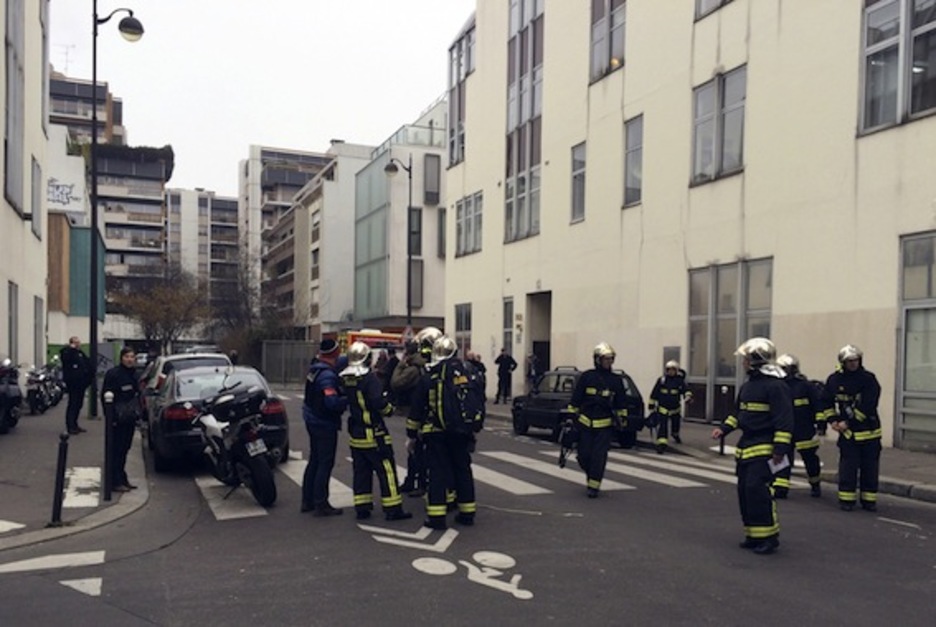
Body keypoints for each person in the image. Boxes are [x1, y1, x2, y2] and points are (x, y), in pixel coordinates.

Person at [711, 338, 793, 556]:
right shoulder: (748, 387)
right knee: (745, 492)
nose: (743, 363)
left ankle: (769, 537)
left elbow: (784, 420)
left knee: (758, 490)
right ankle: (754, 534)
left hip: (765, 447)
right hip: (746, 446)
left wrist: (780, 449)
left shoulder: (776, 387)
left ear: (757, 361)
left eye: (746, 359)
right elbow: (739, 414)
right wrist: (723, 429)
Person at [410, 335, 480, 530]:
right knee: (463, 470)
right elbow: (478, 399)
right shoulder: (468, 371)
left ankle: (437, 517)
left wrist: (411, 434)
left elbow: (417, 408)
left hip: (436, 432)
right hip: (462, 431)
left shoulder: (431, 375)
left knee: (438, 474)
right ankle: (467, 513)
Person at [340, 341, 412, 522]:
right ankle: (393, 508)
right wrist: (389, 410)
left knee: (361, 471)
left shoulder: (345, 378)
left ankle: (362, 507)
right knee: (386, 471)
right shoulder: (369, 378)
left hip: (356, 434)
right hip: (374, 433)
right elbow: (378, 402)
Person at [823, 344, 882, 512]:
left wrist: (848, 423)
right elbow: (825, 401)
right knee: (848, 468)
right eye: (849, 361)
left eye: (855, 360)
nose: (853, 364)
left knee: (870, 468)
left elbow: (869, 405)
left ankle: (869, 500)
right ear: (843, 362)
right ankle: (846, 500)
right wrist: (832, 420)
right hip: (848, 435)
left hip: (869, 432)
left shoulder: (868, 379)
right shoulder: (834, 380)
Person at [566, 342, 629, 498]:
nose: (609, 362)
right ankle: (592, 473)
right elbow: (576, 399)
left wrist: (623, 418)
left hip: (605, 425)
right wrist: (570, 417)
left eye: (611, 359)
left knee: (598, 456)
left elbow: (621, 402)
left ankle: (594, 485)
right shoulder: (587, 377)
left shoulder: (616, 380)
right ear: (597, 360)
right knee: (584, 455)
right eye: (605, 359)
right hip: (585, 423)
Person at [300, 339, 348, 516]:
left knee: (314, 460)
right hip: (324, 423)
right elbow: (331, 402)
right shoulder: (327, 376)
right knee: (325, 463)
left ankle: (307, 500)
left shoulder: (315, 369)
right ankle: (321, 503)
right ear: (334, 353)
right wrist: (347, 399)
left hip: (312, 419)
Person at [395, 328, 440, 496]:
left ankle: (420, 483)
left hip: (422, 415)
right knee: (420, 452)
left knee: (417, 451)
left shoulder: (415, 369)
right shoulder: (437, 368)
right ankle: (416, 481)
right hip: (433, 417)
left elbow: (396, 383)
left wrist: (402, 363)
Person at [775, 354, 824, 498]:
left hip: (804, 430)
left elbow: (818, 406)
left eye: (785, 369)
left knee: (810, 459)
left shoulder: (805, 386)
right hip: (785, 429)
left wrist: (821, 426)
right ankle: (781, 488)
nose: (783, 372)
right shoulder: (777, 387)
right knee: (783, 459)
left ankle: (815, 484)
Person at [101, 347, 142, 492]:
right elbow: (106, 396)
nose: (130, 359)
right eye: (127, 357)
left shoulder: (135, 375)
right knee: (116, 450)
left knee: (125, 449)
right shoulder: (114, 374)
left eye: (132, 357)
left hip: (129, 418)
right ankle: (114, 481)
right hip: (117, 419)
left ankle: (122, 477)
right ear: (121, 358)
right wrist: (110, 418)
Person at [648, 360, 692, 454]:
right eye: (669, 370)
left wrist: (688, 397)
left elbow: (686, 390)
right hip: (663, 408)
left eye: (673, 370)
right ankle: (661, 445)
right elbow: (654, 392)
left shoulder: (680, 381)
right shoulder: (662, 380)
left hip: (675, 408)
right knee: (663, 427)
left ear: (676, 370)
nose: (671, 372)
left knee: (675, 425)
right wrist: (651, 404)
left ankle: (675, 434)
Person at [60, 336, 92, 434]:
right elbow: (66, 359)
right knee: (73, 404)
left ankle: (75, 424)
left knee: (79, 404)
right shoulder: (67, 352)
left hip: (81, 384)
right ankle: (70, 426)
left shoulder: (80, 353)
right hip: (73, 383)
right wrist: (71, 349)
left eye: (79, 342)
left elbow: (87, 363)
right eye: (75, 342)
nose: (78, 344)